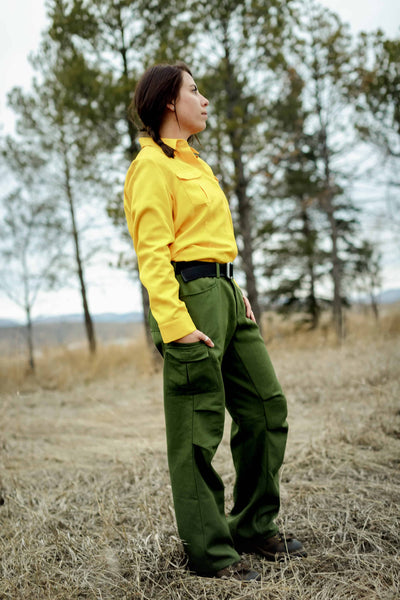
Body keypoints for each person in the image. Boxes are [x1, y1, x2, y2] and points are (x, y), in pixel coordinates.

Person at [123, 62, 306, 582]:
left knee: (267, 407)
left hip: (225, 293)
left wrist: (235, 290)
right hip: (190, 300)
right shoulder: (151, 167)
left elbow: (209, 241)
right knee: (197, 431)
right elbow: (153, 255)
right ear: (168, 103)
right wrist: (175, 322)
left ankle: (251, 525)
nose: (204, 100)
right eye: (194, 91)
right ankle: (210, 553)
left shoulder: (196, 164)